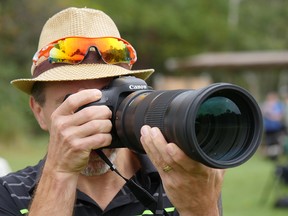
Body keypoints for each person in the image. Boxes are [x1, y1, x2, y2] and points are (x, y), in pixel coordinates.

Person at [0, 7, 224, 216]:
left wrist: (201, 207)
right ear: (38, 112)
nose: (95, 120)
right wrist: (60, 174)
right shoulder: (9, 194)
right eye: (77, 105)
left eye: (109, 99)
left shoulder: (182, 177)